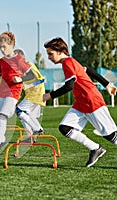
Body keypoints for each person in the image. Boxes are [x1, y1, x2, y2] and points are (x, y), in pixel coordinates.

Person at [43, 37, 117, 167]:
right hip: (81, 104)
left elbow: (69, 86)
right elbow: (88, 70)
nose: (48, 57)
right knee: (65, 127)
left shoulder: (67, 63)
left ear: (60, 51)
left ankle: (97, 148)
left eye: (50, 54)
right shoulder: (70, 62)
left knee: (110, 135)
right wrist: (107, 85)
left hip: (92, 102)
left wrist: (50, 95)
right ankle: (95, 148)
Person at [0, 32, 35, 158]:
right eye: (0, 47)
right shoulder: (1, 61)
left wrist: (20, 79)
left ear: (12, 45)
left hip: (13, 94)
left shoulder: (19, 59)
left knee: (3, 116)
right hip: (1, 93)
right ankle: (1, 139)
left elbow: (31, 75)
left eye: (4, 47)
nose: (2, 50)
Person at [14, 49, 45, 139]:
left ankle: (38, 129)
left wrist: (29, 86)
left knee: (20, 111)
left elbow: (41, 79)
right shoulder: (21, 70)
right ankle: (31, 137)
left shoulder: (29, 65)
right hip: (31, 95)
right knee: (26, 116)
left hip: (36, 94)